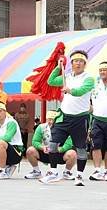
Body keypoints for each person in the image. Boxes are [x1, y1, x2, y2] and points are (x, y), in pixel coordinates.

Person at [39, 50, 95, 186]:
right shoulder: (67, 76)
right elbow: (51, 81)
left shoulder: (89, 78)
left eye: (81, 61)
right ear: (71, 63)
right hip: (64, 117)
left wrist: (69, 90)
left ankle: (79, 176)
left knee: (81, 148)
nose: (78, 63)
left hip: (80, 118)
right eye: (75, 61)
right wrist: (58, 67)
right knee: (52, 144)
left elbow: (81, 91)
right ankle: (53, 172)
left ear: (85, 64)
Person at [24, 110, 76, 180]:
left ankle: (67, 172)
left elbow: (69, 143)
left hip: (60, 153)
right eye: (49, 119)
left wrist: (60, 149)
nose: (51, 122)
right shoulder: (41, 127)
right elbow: (35, 141)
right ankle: (36, 171)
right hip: (46, 151)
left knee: (72, 153)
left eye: (53, 120)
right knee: (30, 150)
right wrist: (42, 147)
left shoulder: (65, 128)